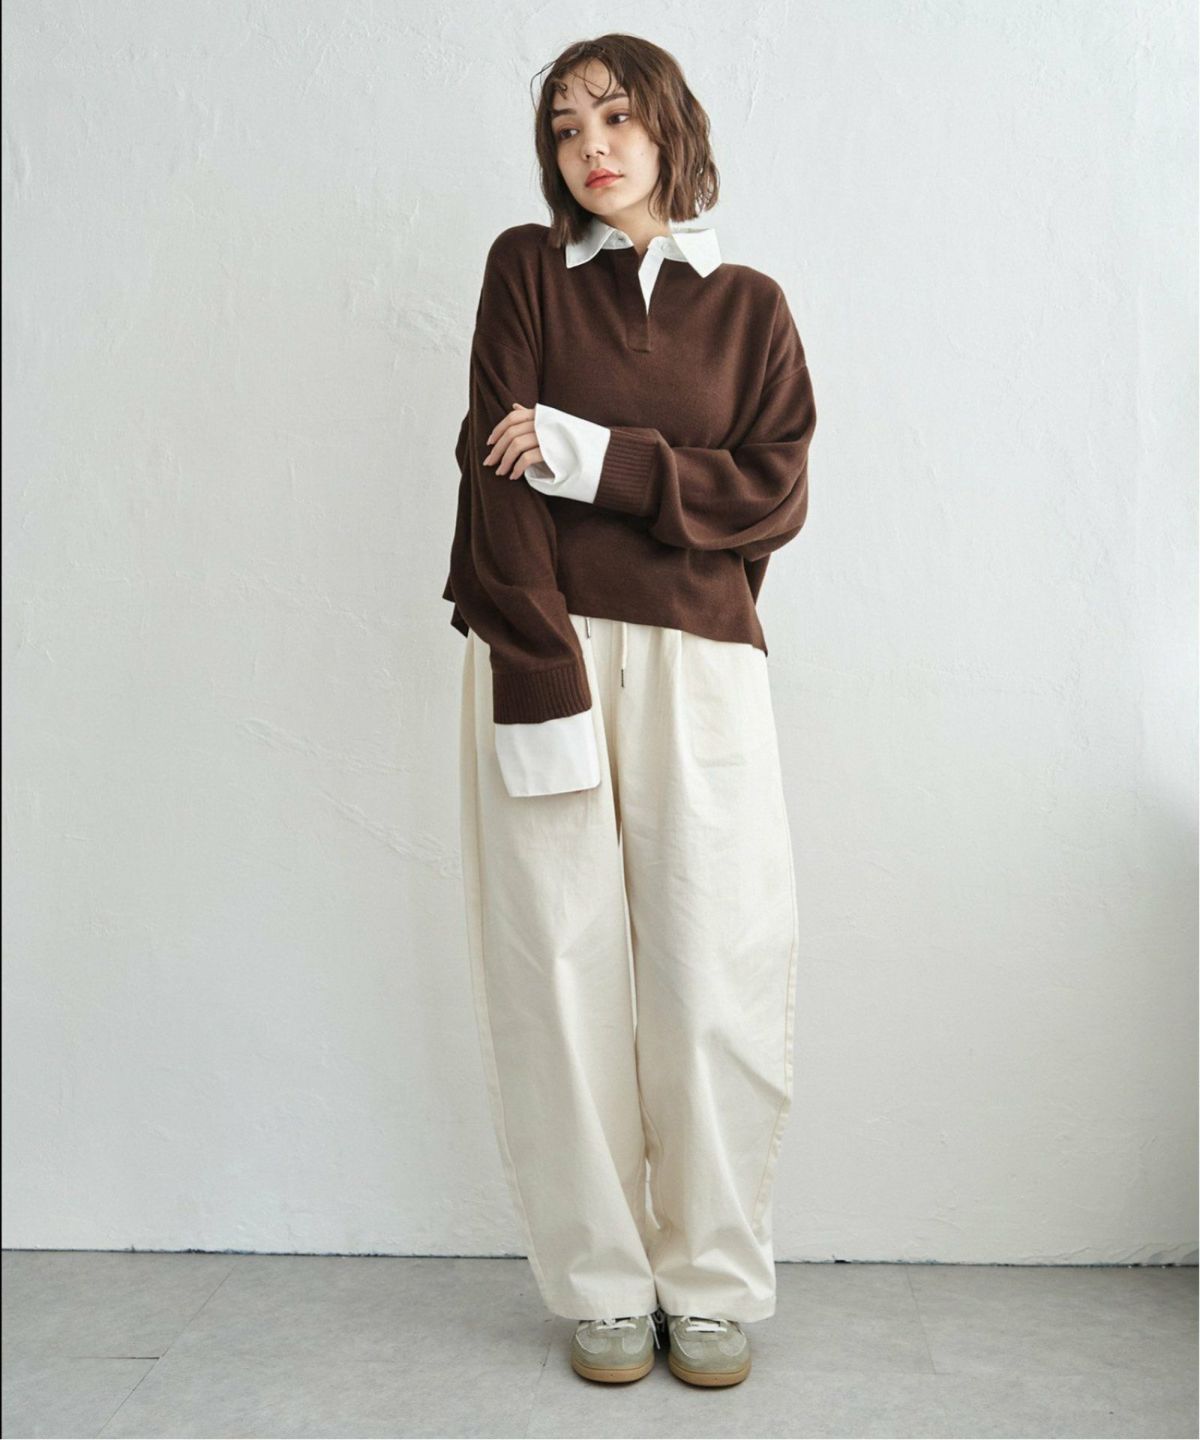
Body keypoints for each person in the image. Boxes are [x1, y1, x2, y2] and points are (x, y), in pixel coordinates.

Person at [441, 33, 817, 1388]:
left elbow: (773, 493)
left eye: (614, 115)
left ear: (671, 126)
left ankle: (708, 1282)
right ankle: (602, 1279)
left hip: (704, 666)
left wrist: (595, 458)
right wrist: (540, 667)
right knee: (561, 968)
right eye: (563, 127)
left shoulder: (751, 309)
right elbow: (492, 475)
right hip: (545, 643)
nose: (590, 145)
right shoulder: (527, 272)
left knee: (717, 967)